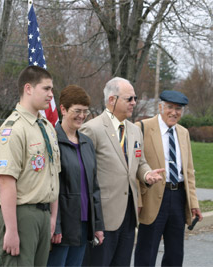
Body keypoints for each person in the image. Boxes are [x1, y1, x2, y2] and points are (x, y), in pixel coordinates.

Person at [80, 77, 164, 266]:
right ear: (112, 100)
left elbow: (140, 162)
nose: (134, 102)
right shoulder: (91, 129)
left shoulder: (134, 130)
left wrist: (146, 174)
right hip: (103, 217)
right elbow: (84, 176)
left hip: (128, 216)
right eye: (130, 99)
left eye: (134, 98)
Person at [0, 66, 60, 266]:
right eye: (46, 89)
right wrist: (11, 231)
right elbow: (6, 182)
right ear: (28, 88)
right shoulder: (13, 129)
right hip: (20, 215)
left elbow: (53, 174)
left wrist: (52, 216)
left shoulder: (46, 127)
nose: (51, 95)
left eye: (51, 89)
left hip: (42, 214)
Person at [134, 90, 203, 267]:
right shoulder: (142, 127)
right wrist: (138, 201)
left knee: (175, 252)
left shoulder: (183, 132)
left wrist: (193, 203)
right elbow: (134, 168)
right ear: (160, 107)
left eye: (178, 109)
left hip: (178, 197)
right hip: (153, 195)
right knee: (146, 251)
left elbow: (188, 172)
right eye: (170, 107)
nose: (174, 112)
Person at [47, 85, 105, 266]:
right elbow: (50, 187)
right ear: (63, 109)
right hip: (62, 226)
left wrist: (97, 225)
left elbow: (94, 188)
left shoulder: (87, 142)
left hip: (83, 225)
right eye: (77, 110)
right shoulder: (52, 141)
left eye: (85, 111)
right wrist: (55, 225)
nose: (81, 116)